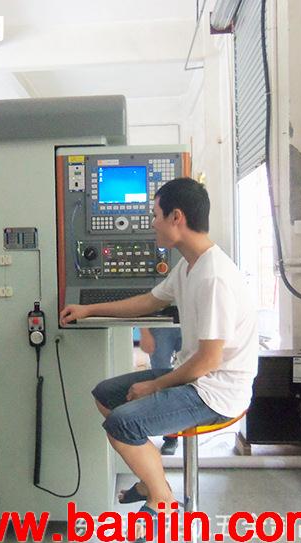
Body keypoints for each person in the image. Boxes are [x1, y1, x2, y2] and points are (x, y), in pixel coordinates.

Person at [60, 177, 258, 523]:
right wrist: (88, 309)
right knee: (105, 395)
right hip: (195, 377)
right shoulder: (190, 265)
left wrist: (154, 385)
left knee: (121, 424)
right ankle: (155, 484)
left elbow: (209, 360)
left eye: (155, 215)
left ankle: (161, 499)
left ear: (176, 217)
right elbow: (149, 301)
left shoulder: (215, 277)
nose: (152, 223)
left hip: (217, 392)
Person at [139, 327, 182, 455]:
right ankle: (171, 436)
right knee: (162, 382)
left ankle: (188, 433)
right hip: (160, 326)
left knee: (191, 377)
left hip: (189, 325)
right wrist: (144, 332)